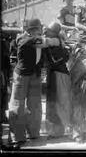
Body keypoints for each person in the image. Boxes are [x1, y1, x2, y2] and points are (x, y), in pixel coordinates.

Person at [8, 19, 61, 149]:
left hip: (34, 75)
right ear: (33, 29)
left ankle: (33, 133)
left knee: (35, 104)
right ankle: (18, 137)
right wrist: (58, 40)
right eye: (39, 28)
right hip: (22, 76)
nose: (41, 30)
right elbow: (46, 43)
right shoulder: (24, 39)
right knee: (18, 105)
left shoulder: (35, 37)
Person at [43, 22, 71, 139]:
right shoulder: (56, 40)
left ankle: (58, 131)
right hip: (56, 73)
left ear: (53, 32)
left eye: (48, 30)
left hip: (58, 74)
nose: (45, 32)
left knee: (58, 102)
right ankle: (55, 131)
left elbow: (44, 43)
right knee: (54, 102)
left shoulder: (55, 40)